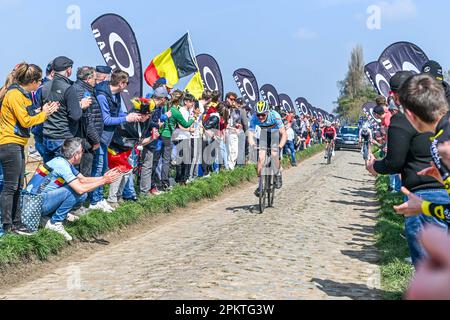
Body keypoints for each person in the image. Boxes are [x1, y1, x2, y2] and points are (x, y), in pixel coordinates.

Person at [366, 71, 448, 268]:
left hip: (423, 197)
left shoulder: (443, 145)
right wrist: (444, 180)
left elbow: (394, 162)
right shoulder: (441, 136)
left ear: (410, 114)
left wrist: (424, 207)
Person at [0, 63, 59, 234]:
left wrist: (42, 110)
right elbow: (26, 121)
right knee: (11, 187)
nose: (40, 84)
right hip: (9, 143)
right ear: (32, 81)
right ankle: (7, 225)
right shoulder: (14, 95)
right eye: (39, 81)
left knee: (18, 185)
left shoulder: (22, 94)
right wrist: (45, 114)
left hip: (17, 142)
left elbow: (26, 116)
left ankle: (16, 223)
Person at [25, 138, 122, 241]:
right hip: (34, 204)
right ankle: (55, 222)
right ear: (75, 155)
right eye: (82, 151)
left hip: (34, 202)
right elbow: (80, 189)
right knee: (76, 192)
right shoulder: (62, 165)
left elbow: (83, 180)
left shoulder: (62, 161)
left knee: (80, 193)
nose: (83, 153)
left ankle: (47, 217)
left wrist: (103, 178)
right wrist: (104, 181)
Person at [90, 70, 142, 212]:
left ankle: (99, 198)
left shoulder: (116, 94)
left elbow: (117, 113)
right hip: (99, 137)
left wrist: (131, 115)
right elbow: (106, 119)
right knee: (98, 169)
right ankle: (95, 200)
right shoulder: (102, 95)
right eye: (126, 83)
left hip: (107, 138)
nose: (126, 86)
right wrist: (126, 118)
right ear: (121, 83)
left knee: (103, 168)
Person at [42, 56, 91, 162]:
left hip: (47, 135)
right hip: (63, 137)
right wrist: (81, 106)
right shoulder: (68, 88)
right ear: (69, 70)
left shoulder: (44, 86)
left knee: (49, 172)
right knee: (63, 174)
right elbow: (75, 115)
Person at [248, 100, 287, 197]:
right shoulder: (254, 118)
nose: (260, 117)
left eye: (263, 115)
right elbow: (250, 134)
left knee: (274, 155)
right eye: (258, 115)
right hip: (264, 134)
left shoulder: (275, 115)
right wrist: (253, 144)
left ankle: (277, 174)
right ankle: (260, 184)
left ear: (267, 112)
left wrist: (280, 146)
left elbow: (284, 134)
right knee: (261, 158)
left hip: (274, 134)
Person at [159, 90, 194, 191]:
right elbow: (186, 124)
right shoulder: (176, 111)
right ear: (180, 100)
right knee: (166, 161)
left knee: (157, 160)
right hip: (168, 135)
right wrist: (192, 118)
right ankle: (164, 183)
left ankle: (157, 183)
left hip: (159, 134)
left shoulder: (166, 106)